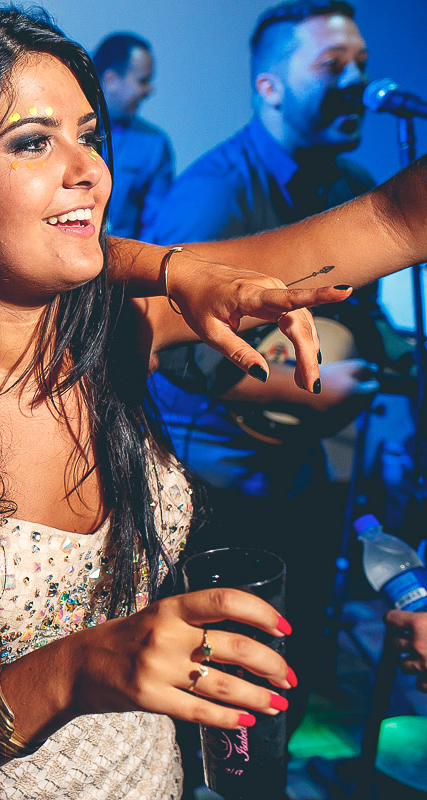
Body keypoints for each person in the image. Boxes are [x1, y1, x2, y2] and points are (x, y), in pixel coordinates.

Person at [0, 10, 361, 799]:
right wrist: (73, 672)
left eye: (89, 136)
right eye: (33, 142)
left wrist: (169, 268)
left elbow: (386, 225)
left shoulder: (114, 338)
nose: (89, 168)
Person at [142, 0, 397, 747]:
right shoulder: (215, 191)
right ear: (270, 87)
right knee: (218, 688)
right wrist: (295, 389)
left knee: (291, 667)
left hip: (298, 474)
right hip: (214, 484)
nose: (356, 81)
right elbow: (163, 338)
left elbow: (368, 322)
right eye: (332, 66)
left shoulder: (353, 184)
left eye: (360, 63)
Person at [92, 33, 173, 239]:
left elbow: (155, 228)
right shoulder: (61, 130)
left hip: (124, 257)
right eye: (143, 81)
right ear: (110, 80)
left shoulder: (154, 145)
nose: (149, 90)